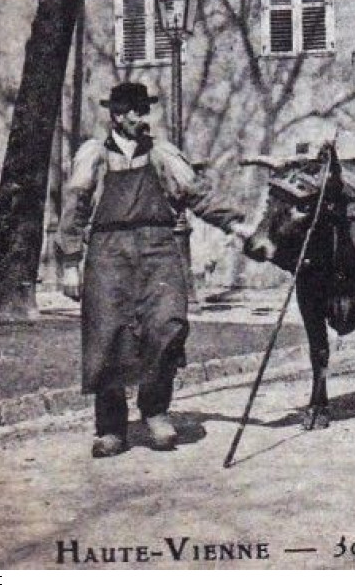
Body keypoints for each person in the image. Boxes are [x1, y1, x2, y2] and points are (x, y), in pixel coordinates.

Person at [58, 81, 249, 458]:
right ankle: (111, 428)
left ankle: (156, 411)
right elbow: (75, 208)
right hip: (108, 251)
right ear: (116, 115)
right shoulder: (93, 155)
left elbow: (197, 194)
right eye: (133, 111)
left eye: (144, 110)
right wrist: (68, 262)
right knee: (107, 335)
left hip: (158, 249)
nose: (141, 118)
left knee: (168, 326)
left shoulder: (162, 154)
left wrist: (235, 223)